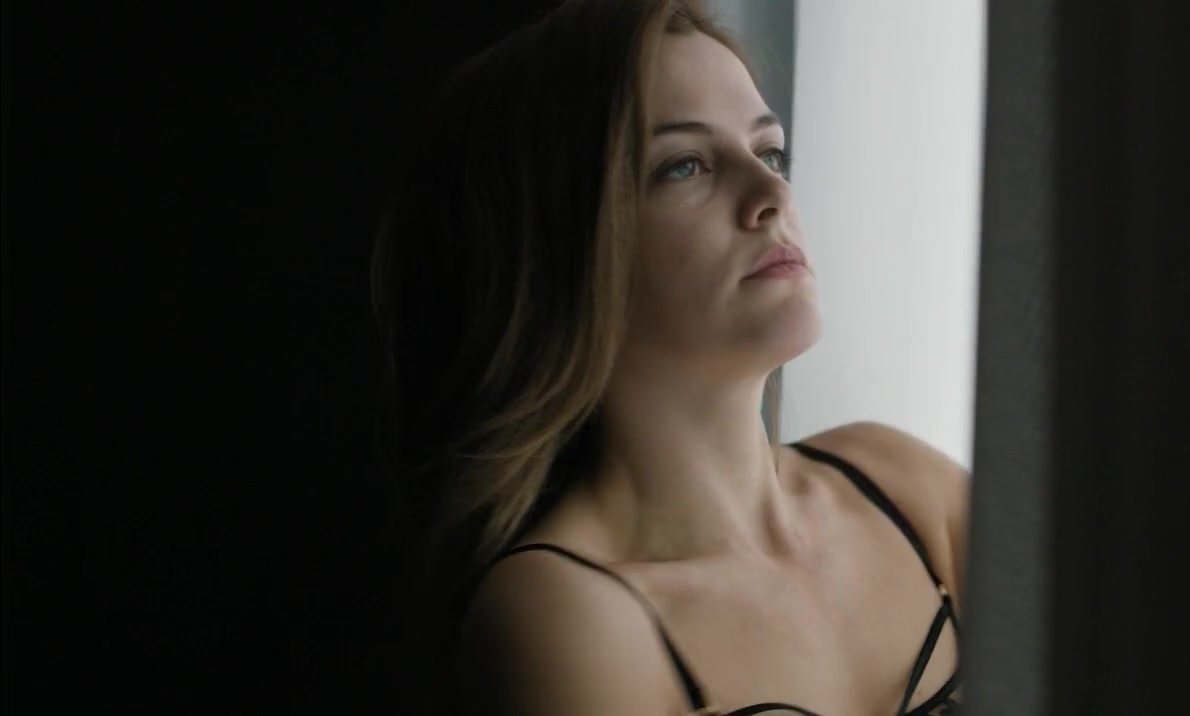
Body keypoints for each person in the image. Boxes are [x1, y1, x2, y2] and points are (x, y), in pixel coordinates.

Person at [370, 0, 969, 713]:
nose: (772, 194)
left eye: (770, 152)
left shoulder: (905, 489)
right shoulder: (564, 615)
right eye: (685, 166)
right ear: (553, 254)